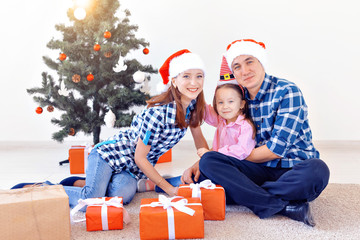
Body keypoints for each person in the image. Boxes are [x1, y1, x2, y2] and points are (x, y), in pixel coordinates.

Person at [13, 49, 207, 209]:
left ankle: (83, 182)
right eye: (186, 76)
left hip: (131, 169)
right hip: (109, 156)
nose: (194, 82)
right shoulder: (158, 113)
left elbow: (199, 138)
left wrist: (206, 161)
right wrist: (168, 189)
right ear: (174, 80)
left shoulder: (191, 107)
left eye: (199, 76)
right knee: (92, 200)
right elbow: (141, 157)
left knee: (121, 196)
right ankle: (43, 188)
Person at [181, 39, 330, 227]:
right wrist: (202, 161)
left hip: (290, 169)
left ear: (261, 62)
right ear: (233, 72)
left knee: (318, 171)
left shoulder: (287, 91)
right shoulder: (236, 98)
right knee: (209, 163)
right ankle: (282, 206)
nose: (244, 71)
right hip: (255, 168)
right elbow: (229, 138)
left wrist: (226, 160)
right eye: (237, 66)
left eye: (249, 61)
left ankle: (244, 192)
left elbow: (275, 150)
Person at [196, 56, 256, 160]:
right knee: (204, 163)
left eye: (231, 101)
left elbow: (242, 150)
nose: (225, 106)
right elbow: (204, 110)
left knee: (207, 160)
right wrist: (195, 92)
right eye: (220, 102)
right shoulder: (221, 120)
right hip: (220, 160)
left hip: (238, 163)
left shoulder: (245, 126)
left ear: (242, 104)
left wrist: (215, 153)